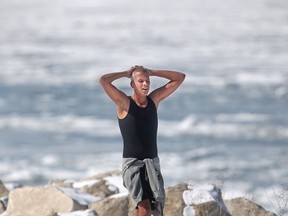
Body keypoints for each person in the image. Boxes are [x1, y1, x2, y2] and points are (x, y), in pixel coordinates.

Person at [99, 65, 185, 216]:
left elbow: (180, 77)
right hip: (133, 165)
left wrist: (152, 72)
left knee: (145, 210)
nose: (145, 84)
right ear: (132, 84)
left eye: (147, 81)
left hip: (152, 164)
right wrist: (126, 73)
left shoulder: (154, 100)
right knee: (145, 208)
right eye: (140, 81)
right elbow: (104, 81)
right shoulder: (125, 103)